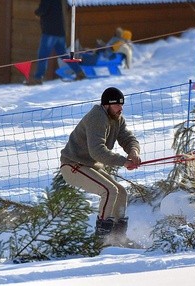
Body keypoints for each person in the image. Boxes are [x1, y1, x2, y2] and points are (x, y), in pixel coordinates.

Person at [59, 87, 141, 245]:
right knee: (109, 191)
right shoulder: (97, 117)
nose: (120, 108)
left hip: (90, 166)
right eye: (117, 105)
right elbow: (97, 151)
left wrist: (133, 152)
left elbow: (128, 138)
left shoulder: (117, 118)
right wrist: (123, 161)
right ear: (106, 105)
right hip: (73, 165)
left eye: (122, 104)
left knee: (121, 192)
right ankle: (101, 240)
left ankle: (118, 238)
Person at [26, 0, 86, 85]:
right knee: (63, 54)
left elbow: (44, 9)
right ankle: (79, 72)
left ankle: (38, 78)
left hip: (50, 30)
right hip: (61, 30)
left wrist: (36, 13)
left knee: (43, 55)